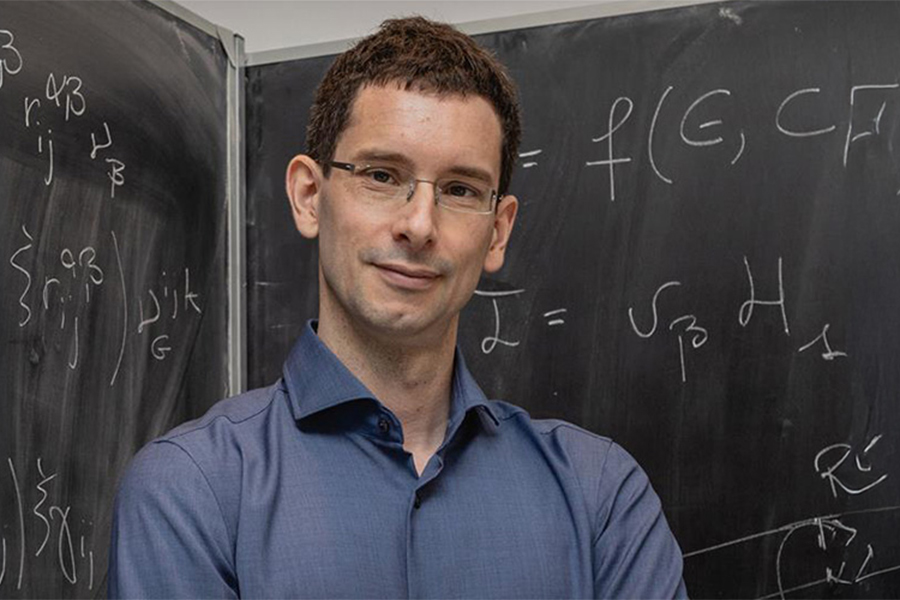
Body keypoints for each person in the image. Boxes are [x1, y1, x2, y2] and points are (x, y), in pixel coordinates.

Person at [109, 16, 687, 599]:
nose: (418, 225)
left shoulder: (601, 499)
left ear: (498, 232)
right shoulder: (192, 491)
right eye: (382, 176)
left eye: (460, 189)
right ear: (310, 196)